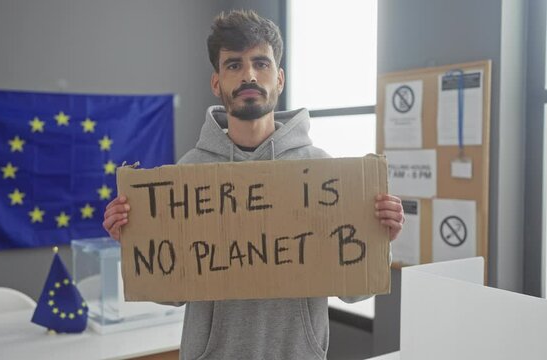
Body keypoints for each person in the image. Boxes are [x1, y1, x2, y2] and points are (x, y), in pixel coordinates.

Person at [104, 9, 404, 360]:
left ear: (279, 79)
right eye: (234, 65)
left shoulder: (323, 171)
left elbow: (354, 293)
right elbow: (172, 293)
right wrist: (135, 236)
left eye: (260, 64)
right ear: (217, 83)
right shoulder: (189, 172)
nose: (248, 75)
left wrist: (378, 235)